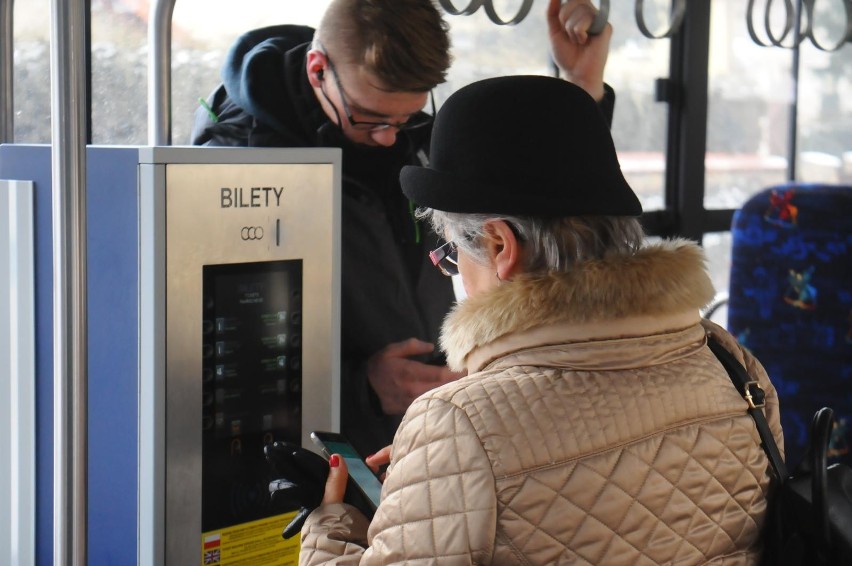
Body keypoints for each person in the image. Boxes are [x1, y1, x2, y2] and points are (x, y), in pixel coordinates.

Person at [297, 75, 785, 564]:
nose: (455, 271)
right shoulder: (729, 361)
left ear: (499, 246)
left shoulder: (460, 421)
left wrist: (328, 521)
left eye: (451, 254)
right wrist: (435, 482)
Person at [192, 0, 616, 457]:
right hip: (317, 451)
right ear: (318, 69)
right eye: (370, 118)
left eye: (406, 117)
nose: (389, 137)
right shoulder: (237, 161)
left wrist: (581, 90)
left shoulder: (416, 136)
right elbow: (222, 363)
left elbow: (536, 211)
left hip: (423, 429)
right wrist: (360, 389)